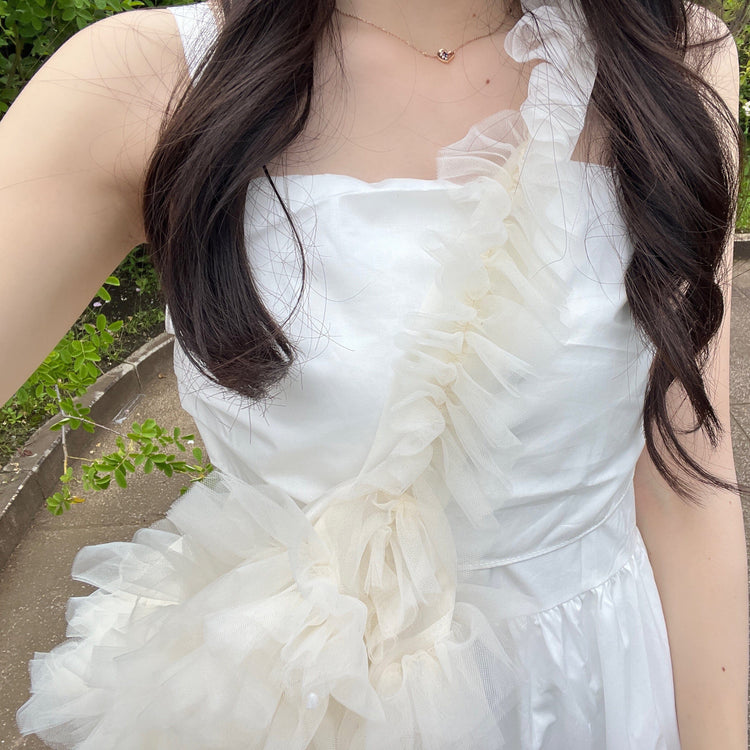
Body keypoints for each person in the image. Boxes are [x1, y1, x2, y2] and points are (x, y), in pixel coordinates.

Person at [1, 0, 747, 745]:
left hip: (600, 689)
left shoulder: (672, 55)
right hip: (308, 704)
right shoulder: (143, 81)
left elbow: (685, 475)